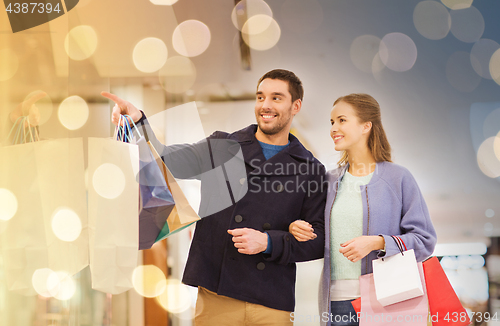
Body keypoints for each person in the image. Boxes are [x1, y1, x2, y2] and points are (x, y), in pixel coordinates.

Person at [101, 69, 327, 326]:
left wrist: (268, 241)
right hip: (217, 295)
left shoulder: (310, 169)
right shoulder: (223, 146)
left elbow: (318, 241)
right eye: (260, 96)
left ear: (295, 105)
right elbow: (168, 161)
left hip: (272, 299)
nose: (265, 105)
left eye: (276, 98)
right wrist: (139, 122)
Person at [289, 93, 437, 326]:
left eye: (342, 120)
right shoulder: (328, 182)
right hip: (336, 301)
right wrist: (296, 226)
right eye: (331, 122)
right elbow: (315, 232)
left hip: (387, 298)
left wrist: (378, 242)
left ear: (366, 126)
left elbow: (424, 240)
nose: (333, 128)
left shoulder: (398, 178)